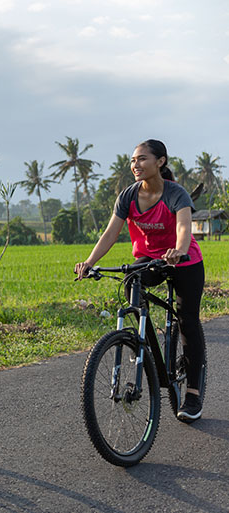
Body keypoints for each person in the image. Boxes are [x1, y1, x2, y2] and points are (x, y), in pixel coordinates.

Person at [74, 139, 206, 422]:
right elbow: (110, 233)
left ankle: (193, 394)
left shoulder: (175, 193)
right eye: (133, 160)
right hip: (149, 259)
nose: (136, 164)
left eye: (142, 159)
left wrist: (179, 251)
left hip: (184, 261)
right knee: (131, 281)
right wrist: (89, 262)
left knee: (187, 321)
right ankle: (143, 342)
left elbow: (184, 228)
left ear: (160, 162)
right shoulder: (128, 196)